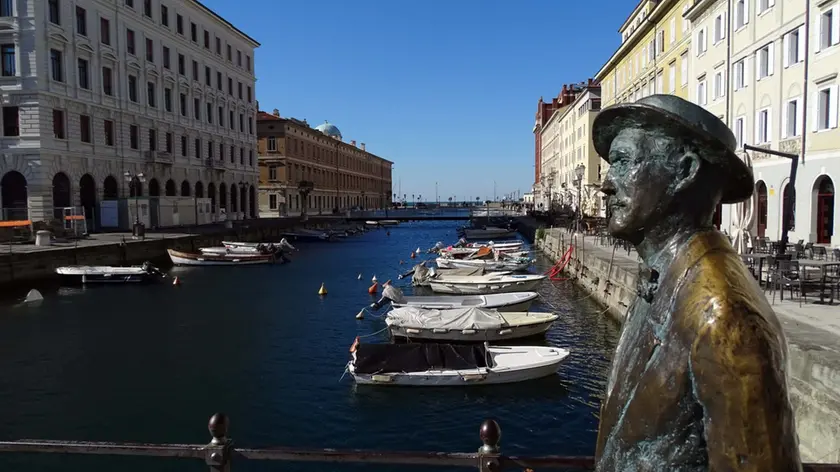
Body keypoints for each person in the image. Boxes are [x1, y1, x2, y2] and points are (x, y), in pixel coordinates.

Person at [591, 94, 802, 471]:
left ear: (684, 171)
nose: (606, 184)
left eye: (622, 162)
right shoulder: (664, 282)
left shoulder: (725, 316)